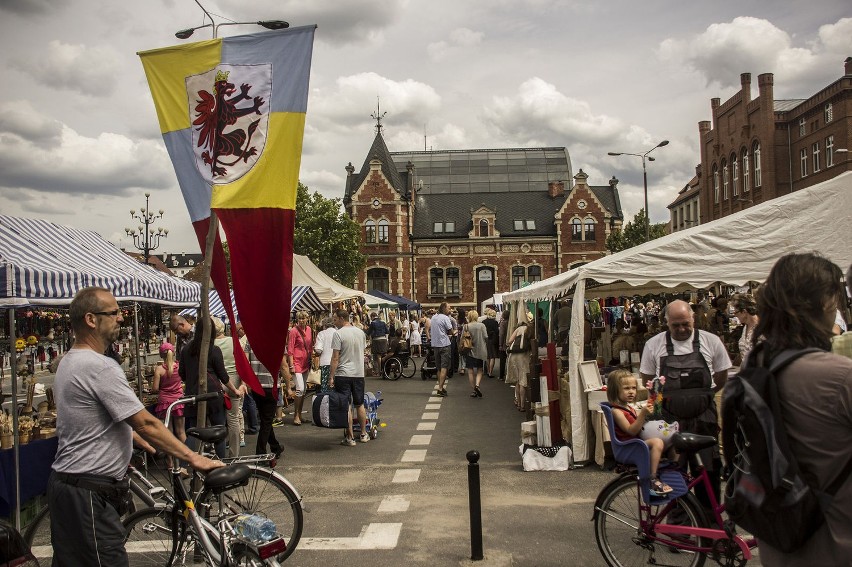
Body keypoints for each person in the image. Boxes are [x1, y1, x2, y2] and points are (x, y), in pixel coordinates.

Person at [49, 287, 222, 566]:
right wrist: (193, 457)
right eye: (114, 313)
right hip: (89, 493)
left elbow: (91, 420)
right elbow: (146, 421)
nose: (121, 319)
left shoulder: (70, 361)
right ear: (91, 319)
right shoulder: (99, 366)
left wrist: (132, 438)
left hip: (71, 486)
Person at [750, 253, 852, 565]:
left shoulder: (755, 369)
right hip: (837, 544)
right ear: (823, 302)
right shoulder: (840, 377)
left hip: (781, 543)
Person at [639, 299, 731, 509]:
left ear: (693, 318)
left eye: (685, 324)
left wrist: (706, 395)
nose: (681, 329)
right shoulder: (654, 344)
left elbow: (722, 374)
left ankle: (709, 528)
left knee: (708, 472)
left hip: (704, 418)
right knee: (673, 475)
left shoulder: (711, 341)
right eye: (675, 325)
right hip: (670, 421)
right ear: (667, 323)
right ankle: (679, 530)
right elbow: (647, 379)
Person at [178, 316, 241, 459]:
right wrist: (235, 390)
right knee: (218, 431)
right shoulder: (213, 349)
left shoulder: (186, 349)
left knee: (195, 431)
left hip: (193, 395)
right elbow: (223, 376)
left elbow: (181, 373)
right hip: (213, 395)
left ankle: (189, 463)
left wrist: (192, 380)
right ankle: (220, 464)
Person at [607, 369, 673, 496]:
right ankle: (653, 479)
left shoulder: (629, 407)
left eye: (633, 388)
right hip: (630, 446)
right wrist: (642, 414)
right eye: (626, 388)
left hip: (636, 443)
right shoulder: (617, 411)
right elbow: (631, 431)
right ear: (615, 390)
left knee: (671, 440)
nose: (631, 391)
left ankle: (670, 471)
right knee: (657, 442)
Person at [329, 309, 369, 445]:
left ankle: (350, 437)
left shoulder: (338, 334)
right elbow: (363, 351)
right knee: (360, 404)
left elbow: (335, 358)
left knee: (346, 406)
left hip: (343, 373)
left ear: (341, 318)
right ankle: (363, 434)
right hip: (358, 373)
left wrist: (331, 376)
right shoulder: (360, 332)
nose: (334, 322)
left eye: (335, 319)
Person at [244, 339, 286, 464]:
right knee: (267, 421)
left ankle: (275, 446)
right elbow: (283, 365)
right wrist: (288, 385)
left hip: (256, 385)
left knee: (265, 419)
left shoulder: (251, 339)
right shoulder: (276, 340)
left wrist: (247, 381)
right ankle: (260, 453)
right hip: (271, 385)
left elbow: (246, 362)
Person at [213, 317, 247, 456]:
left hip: (217, 382)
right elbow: (243, 363)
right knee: (233, 418)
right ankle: (234, 454)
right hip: (235, 380)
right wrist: (243, 383)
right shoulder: (234, 342)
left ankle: (218, 454)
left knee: (217, 419)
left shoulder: (209, 344)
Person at [151, 342, 185, 446]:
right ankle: (187, 457)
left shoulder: (159, 370)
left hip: (164, 403)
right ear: (173, 353)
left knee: (168, 434)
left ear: (161, 355)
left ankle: (170, 461)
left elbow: (155, 389)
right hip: (178, 402)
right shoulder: (179, 367)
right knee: (181, 432)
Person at [287, 311, 313, 426]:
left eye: (304, 318)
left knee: (304, 390)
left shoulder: (309, 329)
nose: (302, 320)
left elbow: (310, 345)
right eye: (300, 319)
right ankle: (296, 415)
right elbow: (290, 349)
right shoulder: (293, 331)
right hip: (296, 363)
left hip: (305, 363)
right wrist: (291, 365)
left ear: (307, 319)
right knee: (300, 389)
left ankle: (300, 414)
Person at [430, 303, 456, 397]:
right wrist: (454, 332)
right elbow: (450, 331)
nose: (450, 309)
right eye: (449, 308)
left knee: (439, 368)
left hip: (435, 345)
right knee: (445, 367)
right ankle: (440, 388)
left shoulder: (433, 317)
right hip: (444, 344)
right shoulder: (445, 318)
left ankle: (440, 386)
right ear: (444, 308)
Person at [506, 319, 531, 411]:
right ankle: (523, 405)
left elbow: (509, 341)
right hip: (524, 356)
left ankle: (518, 403)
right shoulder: (529, 329)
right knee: (523, 381)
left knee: (517, 381)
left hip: (514, 356)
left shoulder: (518, 329)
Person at [463, 310, 488, 397]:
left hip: (469, 351)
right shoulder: (482, 325)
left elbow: (463, 338)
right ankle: (477, 385)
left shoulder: (466, 326)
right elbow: (486, 337)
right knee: (479, 370)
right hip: (480, 350)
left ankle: (473, 389)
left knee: (470, 371)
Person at [729, 293, 759, 365]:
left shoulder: (761, 327)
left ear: (744, 312)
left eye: (736, 312)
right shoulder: (746, 327)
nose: (735, 315)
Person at [313, 316, 337, 393]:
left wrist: (315, 351)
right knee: (337, 387)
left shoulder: (321, 334)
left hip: (325, 363)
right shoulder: (338, 332)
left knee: (325, 387)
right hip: (338, 364)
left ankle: (326, 403)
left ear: (324, 325)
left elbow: (318, 350)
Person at [366, 312, 388, 376]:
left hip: (377, 340)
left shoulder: (373, 323)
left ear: (372, 317)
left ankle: (379, 370)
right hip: (384, 339)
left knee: (378, 356)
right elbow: (387, 331)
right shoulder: (383, 322)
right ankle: (385, 368)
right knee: (384, 354)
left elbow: (368, 332)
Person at [482, 309, 499, 378]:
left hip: (486, 340)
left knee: (488, 356)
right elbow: (497, 332)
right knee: (492, 357)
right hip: (492, 340)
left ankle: (487, 370)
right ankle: (490, 372)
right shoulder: (495, 322)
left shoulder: (484, 322)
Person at [498, 310, 510, 381]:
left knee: (502, 361)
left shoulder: (503, 323)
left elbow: (501, 334)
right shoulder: (512, 322)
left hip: (504, 344)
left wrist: (500, 344)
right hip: (511, 343)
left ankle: (501, 376)